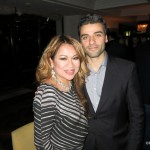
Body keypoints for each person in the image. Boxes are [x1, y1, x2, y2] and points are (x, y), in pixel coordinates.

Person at [78, 14, 145, 150]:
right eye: (85, 37)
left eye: (97, 35)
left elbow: (137, 117)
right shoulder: (73, 71)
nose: (91, 42)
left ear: (106, 37)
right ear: (80, 41)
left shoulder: (127, 69)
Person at [33, 35, 89, 150]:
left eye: (75, 58)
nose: (71, 65)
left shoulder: (70, 84)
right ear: (51, 61)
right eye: (63, 58)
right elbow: (41, 144)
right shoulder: (48, 93)